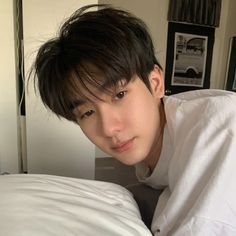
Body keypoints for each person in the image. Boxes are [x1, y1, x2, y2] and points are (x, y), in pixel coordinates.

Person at [31, 4, 236, 236]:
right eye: (87, 113)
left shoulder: (219, 126)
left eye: (119, 95)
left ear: (156, 83)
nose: (108, 128)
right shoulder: (147, 156)